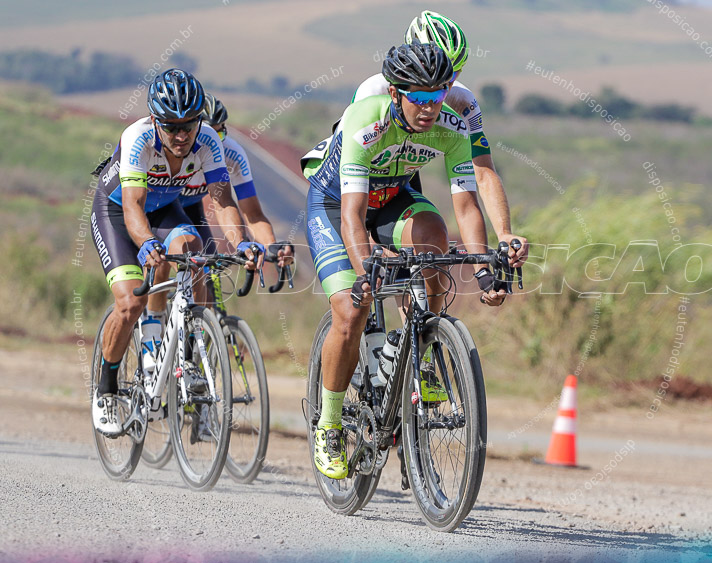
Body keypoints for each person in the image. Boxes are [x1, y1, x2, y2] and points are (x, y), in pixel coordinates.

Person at [306, 41, 509, 479]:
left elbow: (467, 206)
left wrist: (483, 268)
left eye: (436, 95)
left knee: (435, 236)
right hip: (336, 206)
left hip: (394, 198)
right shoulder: (366, 120)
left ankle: (421, 341)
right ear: (395, 92)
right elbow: (352, 217)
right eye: (418, 97)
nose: (428, 107)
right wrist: (364, 273)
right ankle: (329, 423)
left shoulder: (450, 128)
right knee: (352, 309)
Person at [90, 68, 262, 436]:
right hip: (119, 212)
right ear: (155, 121)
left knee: (193, 249)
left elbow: (223, 200)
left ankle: (189, 341)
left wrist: (241, 241)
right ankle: (106, 387)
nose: (181, 136)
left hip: (164, 209)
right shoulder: (137, 138)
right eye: (171, 127)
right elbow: (134, 207)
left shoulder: (208, 141)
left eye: (189, 125)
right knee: (129, 303)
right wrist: (146, 242)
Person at [303, 10, 528, 267]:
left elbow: (483, 172)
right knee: (363, 291)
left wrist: (503, 233)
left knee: (423, 258)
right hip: (356, 183)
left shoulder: (464, 104)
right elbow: (356, 163)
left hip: (398, 180)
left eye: (454, 72)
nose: (443, 82)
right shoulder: (373, 91)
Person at [179, 93, 293, 268]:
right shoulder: (176, 149)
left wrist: (271, 246)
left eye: (220, 133)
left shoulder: (232, 154)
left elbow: (253, 214)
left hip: (192, 208)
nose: (216, 143)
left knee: (208, 275)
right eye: (209, 134)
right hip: (159, 209)